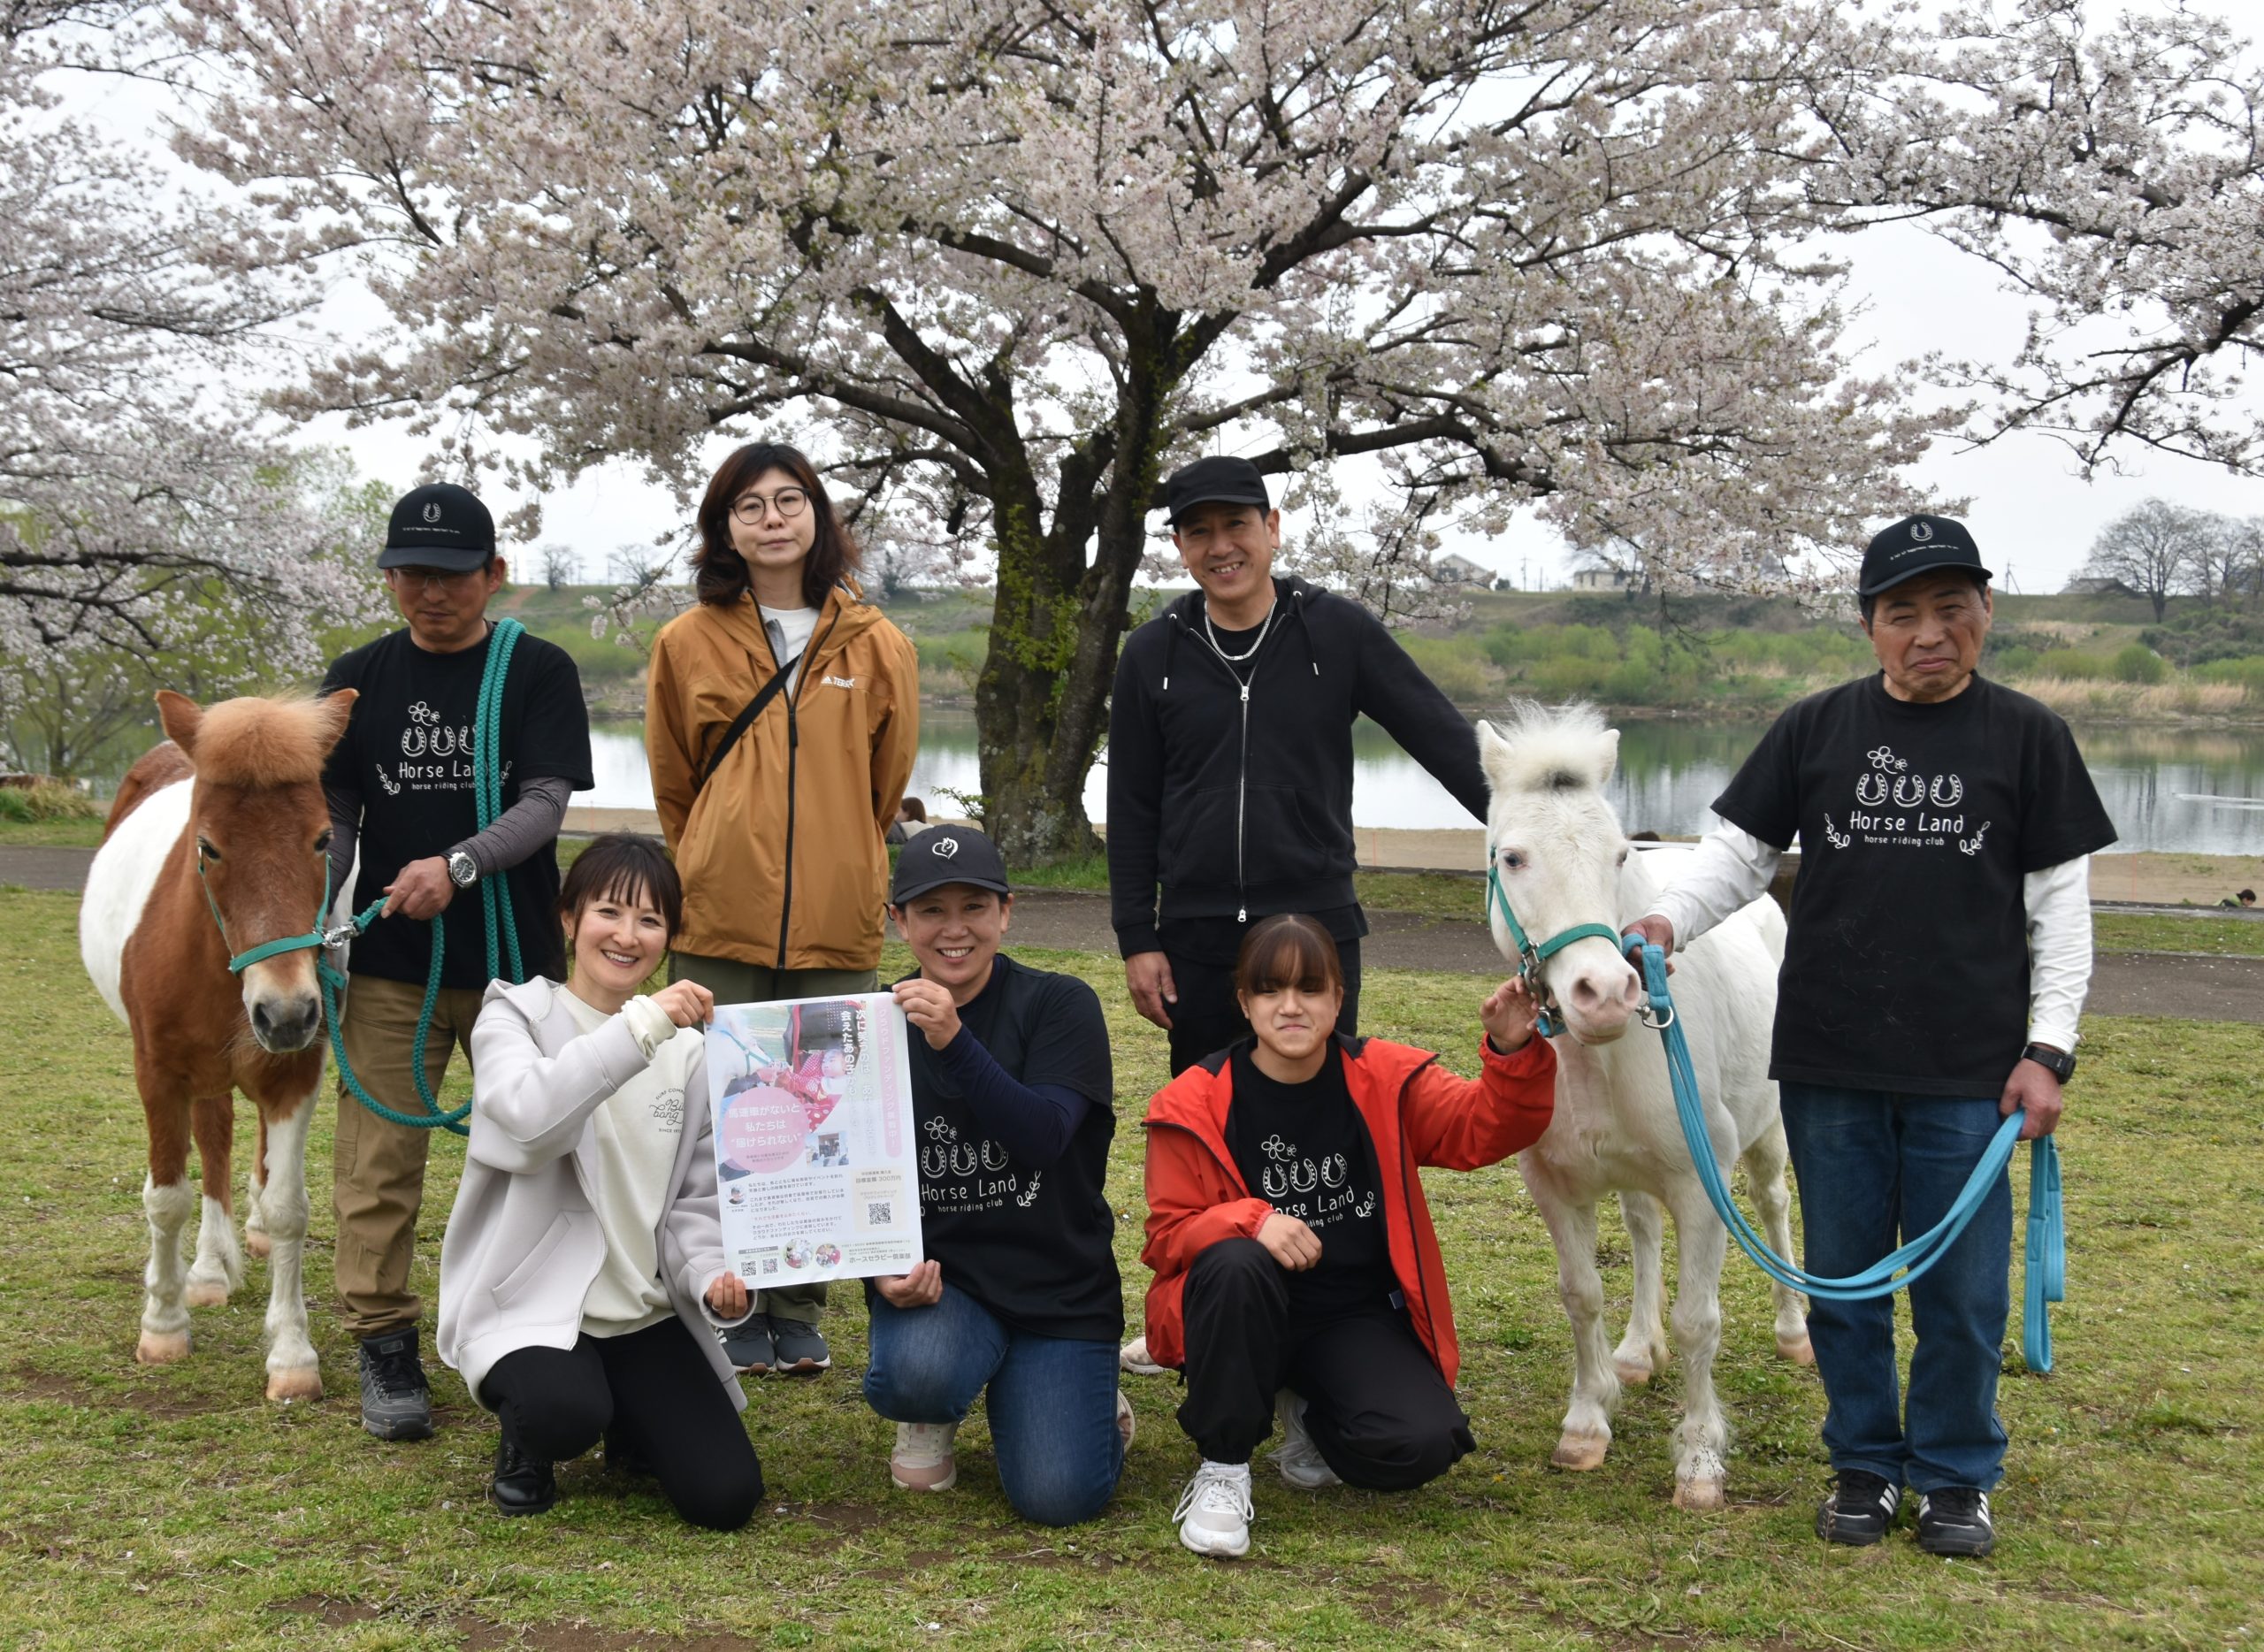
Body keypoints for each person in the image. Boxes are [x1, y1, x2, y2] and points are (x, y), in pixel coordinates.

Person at [1625, 514, 2116, 1559]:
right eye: (1903, 612)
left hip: (1970, 1073)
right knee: (1840, 1280)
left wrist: (2047, 1048)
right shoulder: (1814, 728)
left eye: (1950, 607)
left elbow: (2058, 912)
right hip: (1828, 1058)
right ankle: (1861, 1461)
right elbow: (1737, 857)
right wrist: (1665, 919)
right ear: (1868, 625)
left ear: (1985, 611)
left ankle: (1952, 1473)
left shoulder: (2028, 736)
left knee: (1962, 1291)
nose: (1928, 631)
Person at [1140, 914, 1556, 1559]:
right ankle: (1224, 1465)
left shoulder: (1385, 1077)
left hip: (1350, 1316)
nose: (1291, 1006)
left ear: (1338, 999)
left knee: (1421, 1445)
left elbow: (1484, 1129)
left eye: (1310, 988)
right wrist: (1253, 1220)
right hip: (1242, 1311)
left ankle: (1309, 1410)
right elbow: (1168, 1237)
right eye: (1271, 989)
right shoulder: (1192, 1101)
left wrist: (1510, 1051)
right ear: (1244, 1002)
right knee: (1236, 1262)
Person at [319, 482, 593, 1442]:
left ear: (493, 573)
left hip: (516, 965)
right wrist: (319, 904)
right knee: (378, 1159)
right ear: (390, 577)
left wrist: (459, 865)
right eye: (411, 573)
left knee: (547, 1149)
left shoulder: (537, 669)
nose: (430, 591)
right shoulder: (356, 677)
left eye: (451, 573)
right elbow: (337, 813)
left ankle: (555, 1323)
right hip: (391, 965)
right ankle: (384, 1337)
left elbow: (546, 804)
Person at [646, 441, 920, 1379]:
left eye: (790, 500)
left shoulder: (877, 642)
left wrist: (844, 857)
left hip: (837, 917)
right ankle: (727, 1292)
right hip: (717, 913)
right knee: (722, 1108)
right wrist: (713, 856)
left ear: (818, 515)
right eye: (751, 504)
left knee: (820, 1105)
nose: (773, 519)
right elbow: (675, 785)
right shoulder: (685, 642)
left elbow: (886, 782)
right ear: (724, 527)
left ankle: (799, 1300)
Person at [1109, 455, 1495, 1077]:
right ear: (1180, 547)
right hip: (1195, 936)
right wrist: (1137, 937)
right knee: (1207, 1116)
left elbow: (1446, 744)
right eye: (1199, 532)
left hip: (1317, 926)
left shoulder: (1338, 632)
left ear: (1272, 528)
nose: (1221, 547)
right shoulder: (1152, 652)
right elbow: (1131, 804)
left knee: (1321, 1110)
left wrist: (1544, 824)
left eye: (1236, 525)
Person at [438, 834, 762, 1529]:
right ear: (568, 918)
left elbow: (695, 1203)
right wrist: (641, 1026)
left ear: (669, 938)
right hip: (534, 1306)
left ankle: (631, 1417)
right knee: (561, 1414)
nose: (627, 935)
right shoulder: (515, 1015)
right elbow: (529, 1124)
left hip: (643, 1312)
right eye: (608, 912)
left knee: (726, 1497)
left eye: (650, 920)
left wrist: (712, 1276)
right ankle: (527, 1440)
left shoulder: (691, 1054)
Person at [859, 826, 1128, 1524]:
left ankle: (1082, 1393)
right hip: (946, 1285)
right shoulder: (868, 1026)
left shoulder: (1060, 1003)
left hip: (1059, 1287)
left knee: (1057, 1498)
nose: (955, 929)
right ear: (899, 922)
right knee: (917, 1376)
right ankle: (935, 1410)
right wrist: (879, 1273)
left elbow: (1044, 1138)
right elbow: (845, 1174)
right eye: (931, 910)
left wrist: (954, 1041)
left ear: (1006, 913)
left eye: (974, 907)